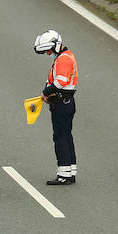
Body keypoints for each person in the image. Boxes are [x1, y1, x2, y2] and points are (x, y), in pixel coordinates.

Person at [34, 30, 77, 185]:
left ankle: (64, 174)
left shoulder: (63, 59)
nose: (48, 54)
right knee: (66, 136)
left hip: (62, 104)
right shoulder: (64, 56)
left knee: (60, 138)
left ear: (56, 46)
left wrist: (46, 92)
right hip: (65, 102)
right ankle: (70, 171)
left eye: (49, 50)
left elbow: (60, 82)